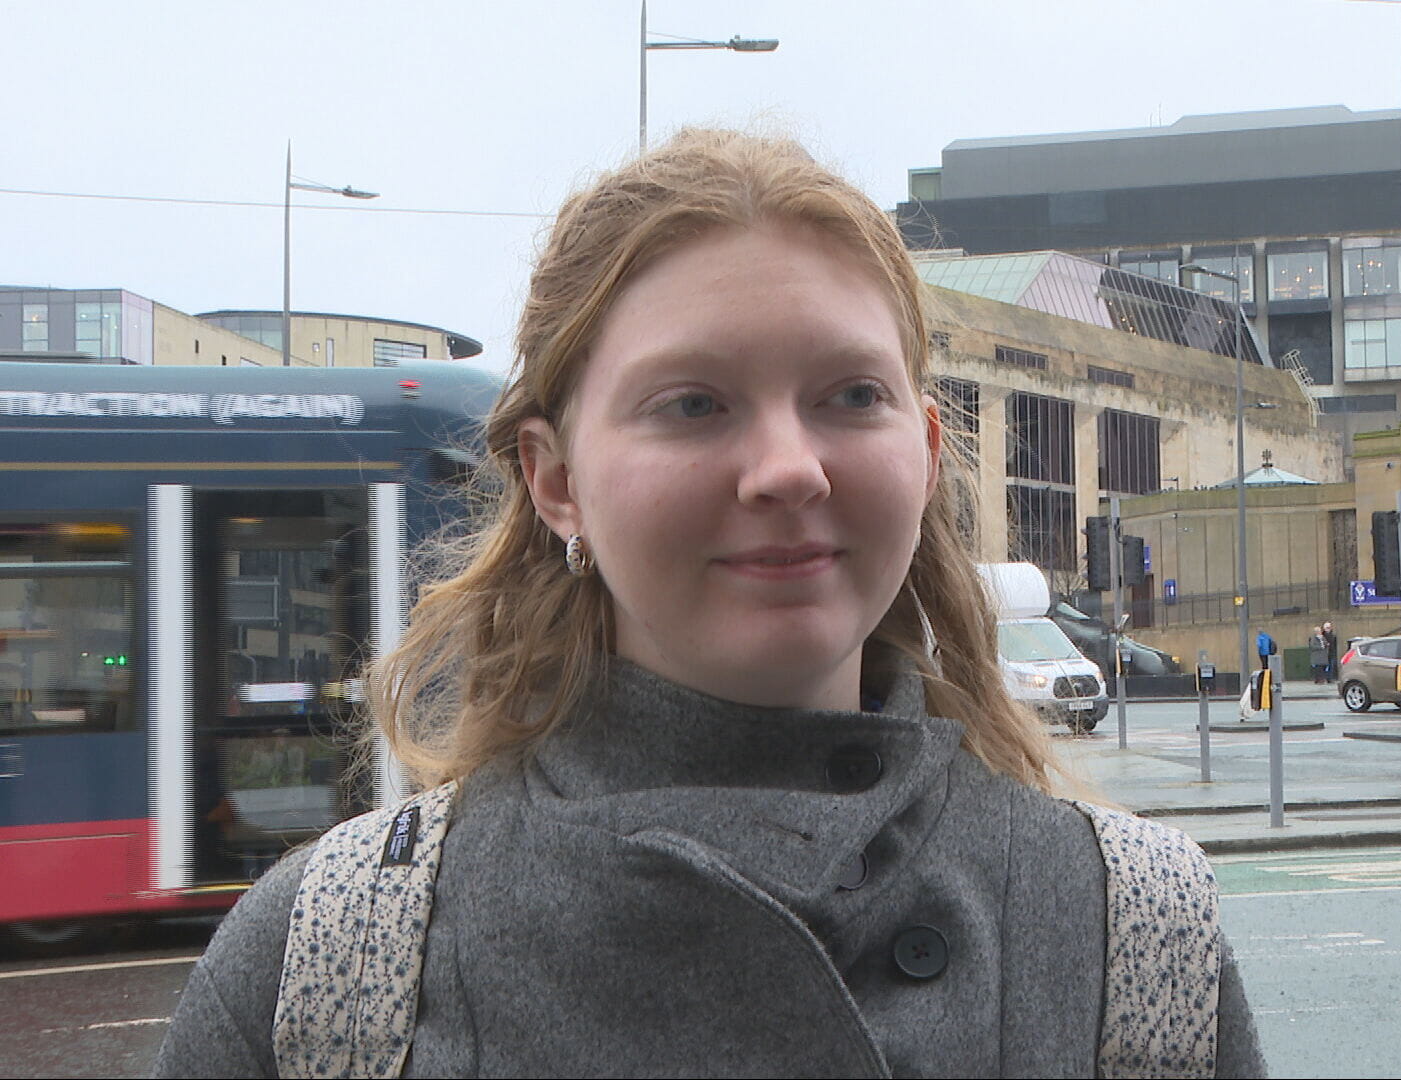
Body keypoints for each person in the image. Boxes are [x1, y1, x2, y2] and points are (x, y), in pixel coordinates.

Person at [154, 131, 1265, 1077]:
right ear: (556, 479)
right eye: (693, 404)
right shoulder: (331, 961)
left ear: (924, 453)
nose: (788, 468)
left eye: (850, 396)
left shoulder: (1139, 934)